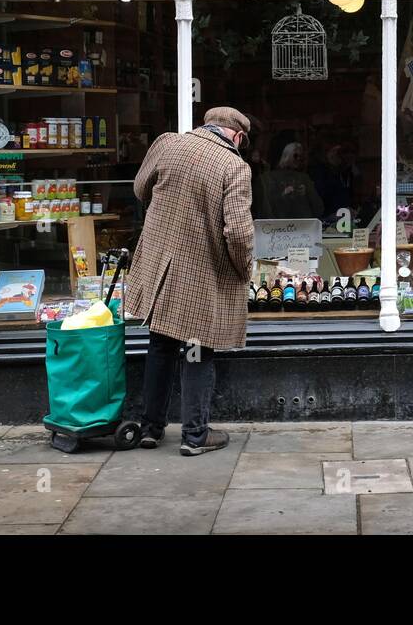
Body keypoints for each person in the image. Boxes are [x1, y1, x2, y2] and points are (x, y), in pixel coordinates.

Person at [124, 107, 254, 457]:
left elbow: (139, 189)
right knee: (197, 350)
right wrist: (245, 269)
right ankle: (195, 436)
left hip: (159, 265)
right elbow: (239, 233)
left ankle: (151, 428)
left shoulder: (168, 144)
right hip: (200, 272)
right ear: (237, 137)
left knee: (160, 344)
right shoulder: (233, 166)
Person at [260, 141, 325, 219]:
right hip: (279, 224)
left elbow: (318, 208)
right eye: (295, 155)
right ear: (287, 155)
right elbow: (266, 208)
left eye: (301, 157)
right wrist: (283, 194)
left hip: (303, 223)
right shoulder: (270, 177)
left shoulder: (304, 178)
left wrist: (307, 193)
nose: (298, 159)